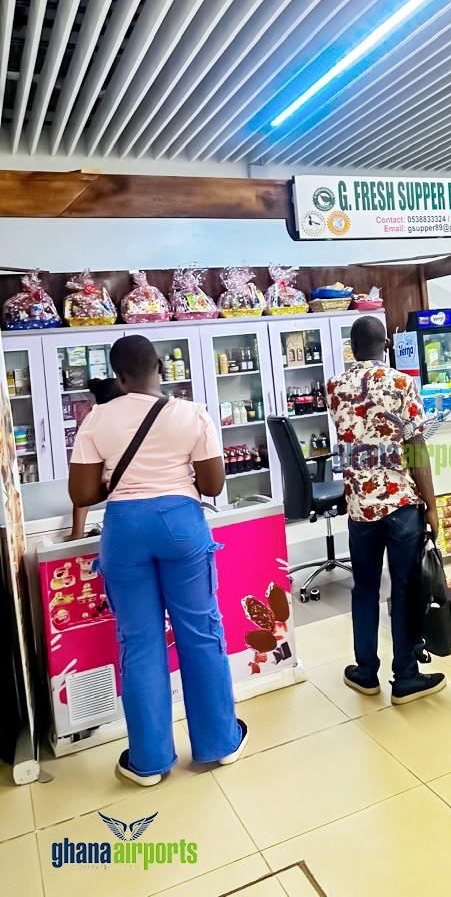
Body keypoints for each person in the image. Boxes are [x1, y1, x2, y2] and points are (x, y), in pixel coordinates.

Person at [68, 335, 247, 786]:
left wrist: (119, 483)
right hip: (181, 524)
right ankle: (219, 743)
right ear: (160, 367)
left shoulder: (96, 419)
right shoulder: (191, 413)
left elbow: (82, 494)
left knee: (139, 641)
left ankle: (148, 761)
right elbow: (211, 484)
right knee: (200, 631)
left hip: (124, 530)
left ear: (119, 375)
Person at [326, 316, 446, 705]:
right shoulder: (401, 383)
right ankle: (406, 677)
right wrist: (430, 503)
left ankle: (365, 672)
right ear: (386, 345)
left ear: (352, 348)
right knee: (405, 588)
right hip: (400, 504)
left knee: (364, 588)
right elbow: (416, 447)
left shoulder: (334, 387)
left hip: (360, 506)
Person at [68, 378, 123, 541]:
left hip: (122, 514)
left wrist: (76, 535)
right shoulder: (133, 421)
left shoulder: (93, 424)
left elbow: (84, 490)